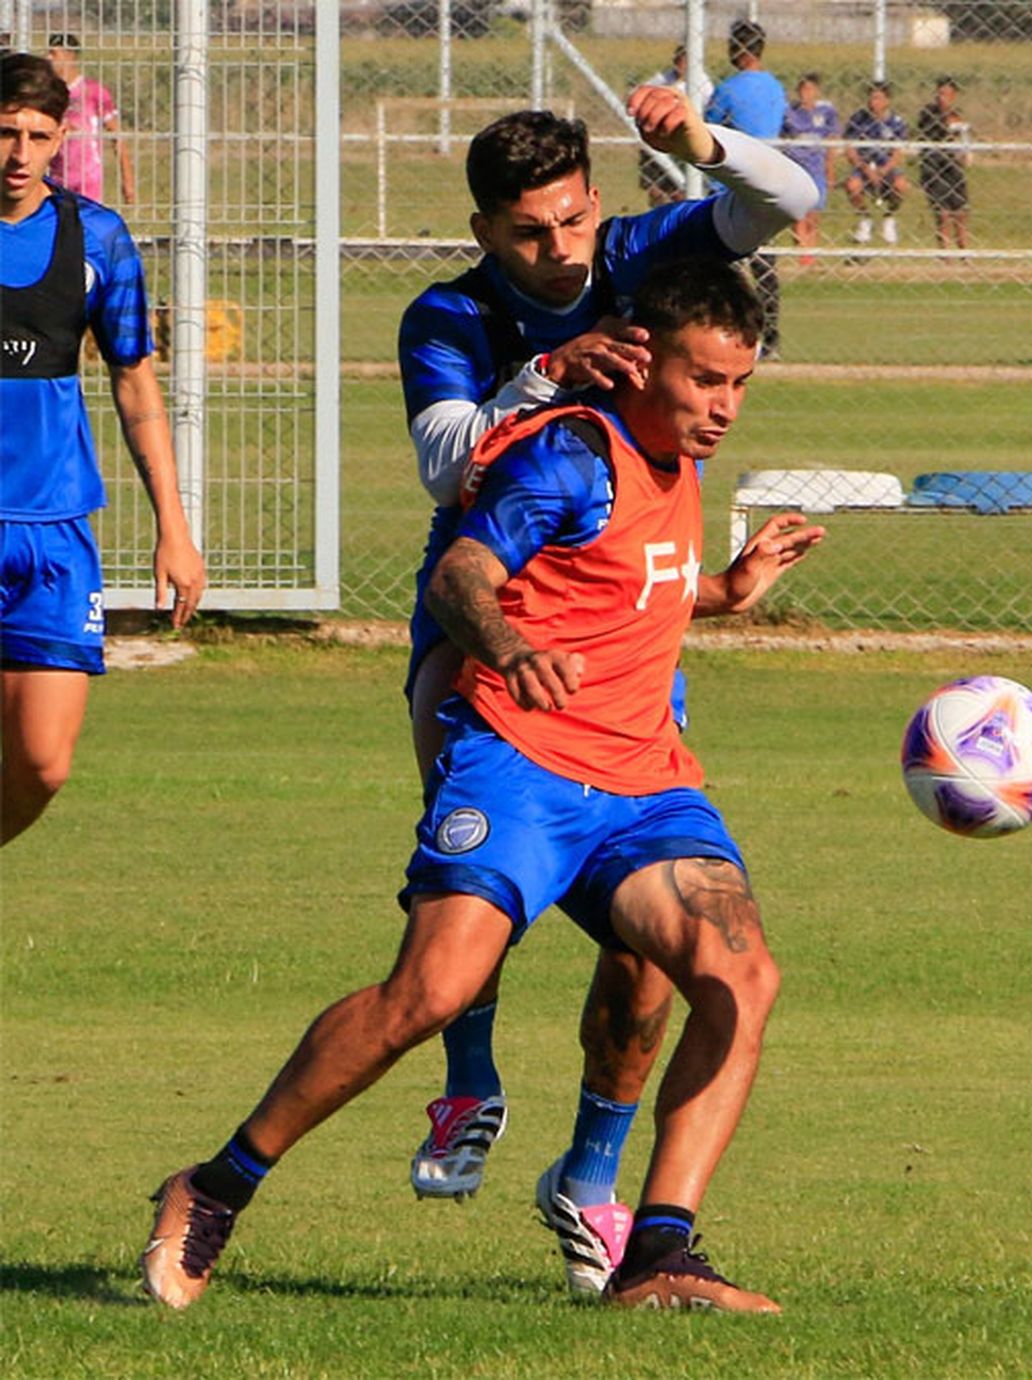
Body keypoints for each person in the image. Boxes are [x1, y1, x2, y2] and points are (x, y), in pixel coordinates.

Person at [140, 255, 825, 1314]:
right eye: (704, 381)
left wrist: (731, 590)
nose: (723, 407)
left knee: (743, 979)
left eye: (739, 385)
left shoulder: (676, 460)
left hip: (643, 783)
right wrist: (506, 648)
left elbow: (633, 579)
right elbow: (464, 575)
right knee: (430, 995)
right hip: (518, 764)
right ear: (644, 360)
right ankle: (216, 1185)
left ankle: (659, 1256)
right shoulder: (566, 455)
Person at [395, 85, 817, 1293]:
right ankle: (466, 1086)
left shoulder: (638, 248)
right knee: (462, 897)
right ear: (487, 231)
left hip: (626, 630)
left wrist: (696, 146)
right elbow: (440, 463)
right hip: (484, 626)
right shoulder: (449, 311)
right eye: (533, 231)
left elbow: (789, 197)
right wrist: (547, 373)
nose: (564, 248)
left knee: (648, 939)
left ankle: (591, 1180)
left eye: (576, 218)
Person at [0, 54, 205, 847]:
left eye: (37, 136)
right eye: (5, 132)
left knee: (43, 764)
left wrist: (174, 528)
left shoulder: (99, 238)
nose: (19, 153)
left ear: (62, 139)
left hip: (53, 532)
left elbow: (135, 384)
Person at [705, 20, 788, 357]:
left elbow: (709, 124)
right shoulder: (775, 87)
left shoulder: (728, 88)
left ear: (739, 49)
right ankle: (770, 335)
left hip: (731, 185)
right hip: (769, 182)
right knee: (764, 263)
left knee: (727, 262)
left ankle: (736, 332)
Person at [46, 33, 135, 205]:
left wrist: (128, 179)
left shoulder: (92, 91)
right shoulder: (49, 93)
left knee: (87, 226)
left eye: (54, 53)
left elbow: (116, 136)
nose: (48, 58)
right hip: (57, 177)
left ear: (69, 56)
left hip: (87, 177)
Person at [636, 44, 713, 207]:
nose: (680, 66)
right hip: (661, 132)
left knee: (680, 189)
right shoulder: (665, 78)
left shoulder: (703, 83)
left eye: (684, 62)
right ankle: (656, 194)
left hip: (684, 135)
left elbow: (708, 110)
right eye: (678, 61)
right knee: (649, 155)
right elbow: (644, 91)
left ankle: (679, 200)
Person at [781, 71, 840, 261]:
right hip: (796, 168)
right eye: (803, 89)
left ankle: (811, 249)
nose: (806, 94)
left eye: (810, 89)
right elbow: (781, 138)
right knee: (799, 212)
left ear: (817, 92)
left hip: (816, 168)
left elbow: (831, 141)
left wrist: (830, 169)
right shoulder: (790, 113)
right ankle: (803, 252)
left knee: (814, 213)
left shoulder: (826, 113)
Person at [843, 79, 909, 248]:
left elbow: (898, 153)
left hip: (886, 167)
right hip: (864, 167)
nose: (874, 102)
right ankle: (865, 219)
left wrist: (884, 170)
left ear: (887, 100)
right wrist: (863, 167)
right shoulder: (858, 119)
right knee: (852, 185)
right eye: (871, 98)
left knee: (901, 185)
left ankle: (889, 217)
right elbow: (850, 149)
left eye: (878, 98)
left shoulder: (896, 122)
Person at [916, 75, 970, 252]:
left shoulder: (958, 115)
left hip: (953, 167)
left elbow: (963, 140)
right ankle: (945, 253)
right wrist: (949, 123)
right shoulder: (928, 113)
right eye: (939, 93)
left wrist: (965, 153)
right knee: (943, 213)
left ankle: (965, 252)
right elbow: (935, 128)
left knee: (961, 212)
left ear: (954, 95)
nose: (941, 98)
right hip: (934, 167)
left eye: (946, 94)